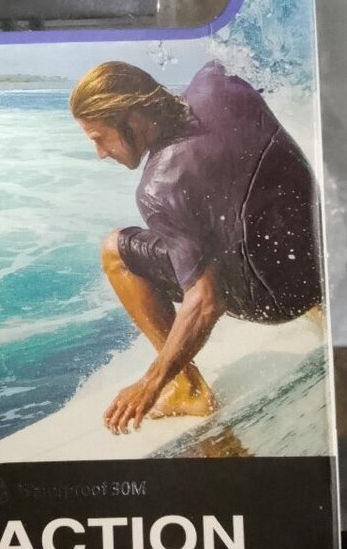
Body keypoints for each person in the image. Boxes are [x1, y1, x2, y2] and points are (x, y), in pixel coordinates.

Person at [69, 60, 323, 435]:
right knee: (236, 197)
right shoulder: (217, 82)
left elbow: (205, 302)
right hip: (321, 262)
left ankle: (187, 389)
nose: (100, 153)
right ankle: (321, 309)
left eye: (99, 137)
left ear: (132, 119)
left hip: (280, 300)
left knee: (114, 251)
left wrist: (149, 383)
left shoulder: (159, 188)